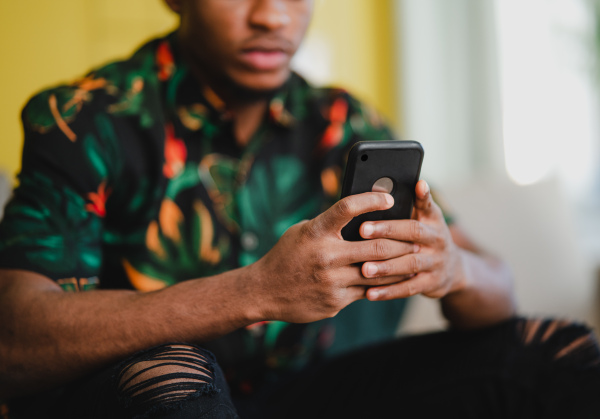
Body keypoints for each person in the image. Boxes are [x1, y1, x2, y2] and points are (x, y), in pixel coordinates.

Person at [0, 0, 598, 418]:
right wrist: (255, 290)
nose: (273, 15)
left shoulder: (343, 121)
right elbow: (16, 341)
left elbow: (500, 295)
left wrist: (455, 271)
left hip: (304, 396)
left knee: (554, 349)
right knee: (175, 374)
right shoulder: (85, 118)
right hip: (150, 396)